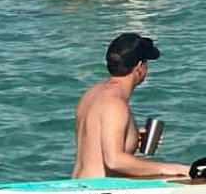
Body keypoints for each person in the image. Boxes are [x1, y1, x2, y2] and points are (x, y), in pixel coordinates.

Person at [72, 33, 190, 178]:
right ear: (140, 67)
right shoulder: (114, 105)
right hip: (99, 193)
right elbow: (115, 161)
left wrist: (132, 138)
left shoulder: (91, 94)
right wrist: (173, 168)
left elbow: (94, 142)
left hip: (79, 186)